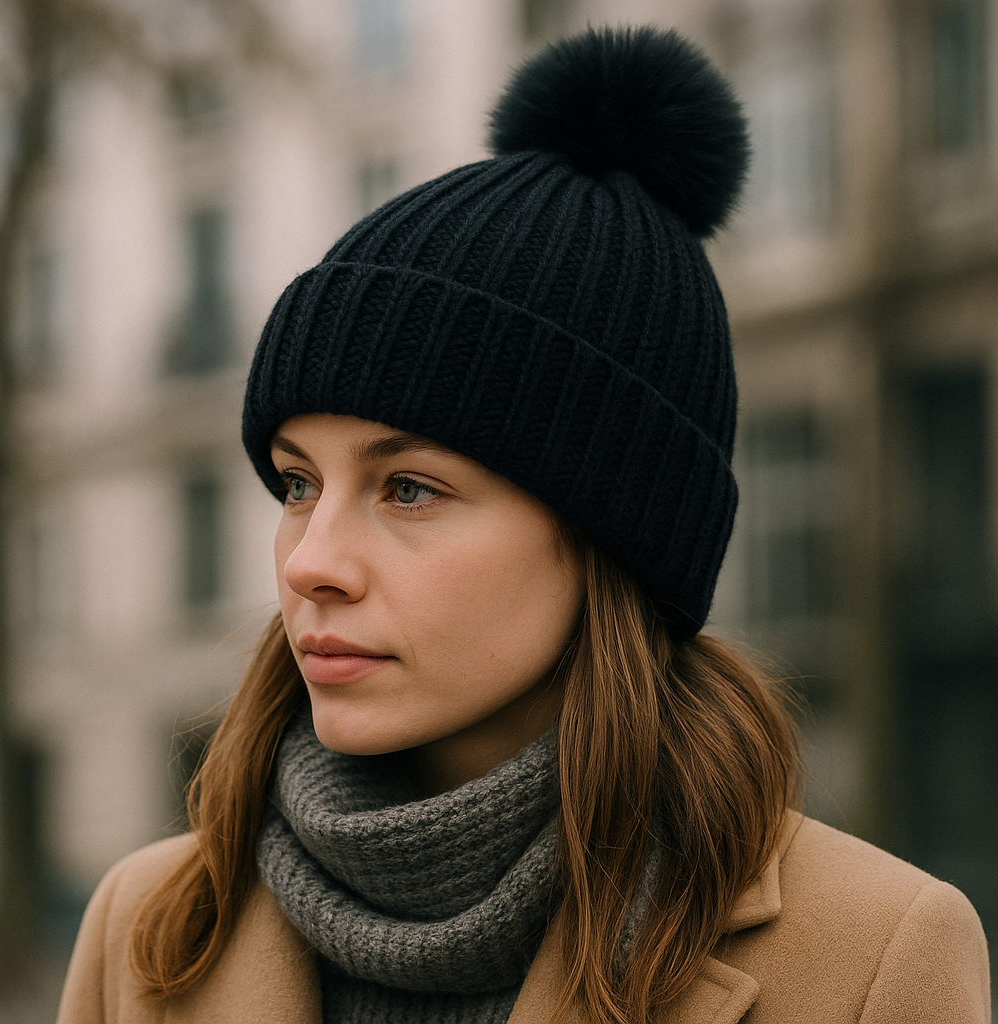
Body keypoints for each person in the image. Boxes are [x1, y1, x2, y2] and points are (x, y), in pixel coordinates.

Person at [56, 25, 990, 1024]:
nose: (311, 562)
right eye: (295, 483)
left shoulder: (878, 955)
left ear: (610, 534)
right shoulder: (147, 926)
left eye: (408, 488)